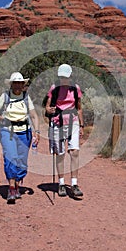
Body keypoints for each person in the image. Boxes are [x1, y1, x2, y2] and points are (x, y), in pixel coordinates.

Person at [0, 72, 40, 204]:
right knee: (11, 158)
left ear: (23, 84)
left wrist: (37, 131)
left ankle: (17, 185)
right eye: (15, 83)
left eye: (20, 83)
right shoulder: (5, 96)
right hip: (8, 130)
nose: (18, 86)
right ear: (11, 84)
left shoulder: (26, 97)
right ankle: (11, 188)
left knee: (22, 162)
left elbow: (34, 115)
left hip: (25, 132)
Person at [45, 64, 84, 197]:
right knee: (60, 153)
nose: (63, 79)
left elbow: (79, 108)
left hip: (73, 122)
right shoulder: (54, 88)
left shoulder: (75, 89)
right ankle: (61, 183)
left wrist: (82, 125)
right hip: (57, 123)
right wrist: (49, 110)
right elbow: (47, 106)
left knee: (75, 152)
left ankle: (74, 184)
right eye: (61, 77)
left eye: (65, 77)